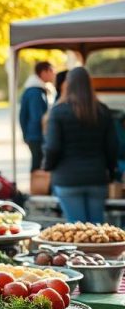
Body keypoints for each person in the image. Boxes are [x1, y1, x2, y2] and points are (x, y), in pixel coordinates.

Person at [43, 67, 119, 223]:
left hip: (67, 178)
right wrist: (111, 173)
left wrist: (47, 167)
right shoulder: (102, 111)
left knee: (77, 230)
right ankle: (97, 249)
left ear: (68, 85)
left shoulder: (58, 111)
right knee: (97, 230)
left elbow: (52, 147)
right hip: (97, 177)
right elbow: (112, 146)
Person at [20, 61, 55, 172]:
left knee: (38, 164)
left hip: (34, 135)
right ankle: (37, 189)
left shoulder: (37, 90)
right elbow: (37, 118)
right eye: (51, 71)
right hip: (37, 136)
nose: (54, 74)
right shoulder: (35, 92)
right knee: (38, 166)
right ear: (43, 72)